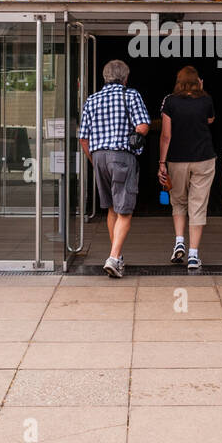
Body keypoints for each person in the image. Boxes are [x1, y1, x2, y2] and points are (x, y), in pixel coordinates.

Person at [77, 59, 150, 278]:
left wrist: (94, 160)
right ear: (125, 78)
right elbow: (143, 125)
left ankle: (116, 256)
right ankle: (114, 257)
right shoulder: (130, 95)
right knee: (125, 210)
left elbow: (83, 138)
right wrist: (138, 135)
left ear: (105, 77)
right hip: (121, 156)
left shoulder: (92, 99)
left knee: (110, 208)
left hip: (98, 156)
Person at [158, 65, 216, 270]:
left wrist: (161, 163)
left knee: (179, 202)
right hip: (204, 158)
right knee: (198, 205)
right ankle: (193, 255)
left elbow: (166, 136)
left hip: (177, 159)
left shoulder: (170, 102)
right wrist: (202, 89)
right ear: (197, 81)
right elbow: (210, 120)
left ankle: (179, 242)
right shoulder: (206, 100)